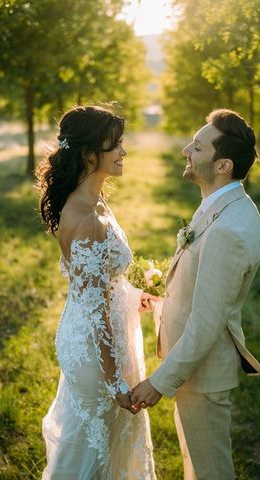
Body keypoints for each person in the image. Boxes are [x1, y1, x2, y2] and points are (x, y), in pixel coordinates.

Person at [130, 109, 260, 479]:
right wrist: (162, 296)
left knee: (210, 472)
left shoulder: (228, 228)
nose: (185, 151)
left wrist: (158, 383)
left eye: (197, 146)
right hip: (197, 369)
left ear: (222, 164)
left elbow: (207, 323)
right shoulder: (224, 205)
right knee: (195, 467)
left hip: (203, 374)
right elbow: (206, 287)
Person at [38, 106, 158, 479]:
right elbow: (94, 312)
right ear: (91, 154)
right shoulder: (86, 218)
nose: (123, 152)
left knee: (108, 449)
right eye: (116, 145)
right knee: (93, 455)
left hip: (104, 336)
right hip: (96, 350)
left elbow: (100, 286)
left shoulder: (97, 201)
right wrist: (116, 382)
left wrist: (131, 295)